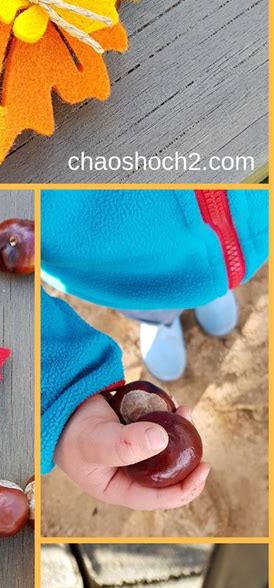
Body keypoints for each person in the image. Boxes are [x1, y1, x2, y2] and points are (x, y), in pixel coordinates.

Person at [41, 189, 268, 511]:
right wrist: (59, 390)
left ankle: (210, 290)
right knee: (153, 303)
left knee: (215, 275)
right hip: (123, 270)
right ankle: (160, 318)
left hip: (250, 232)